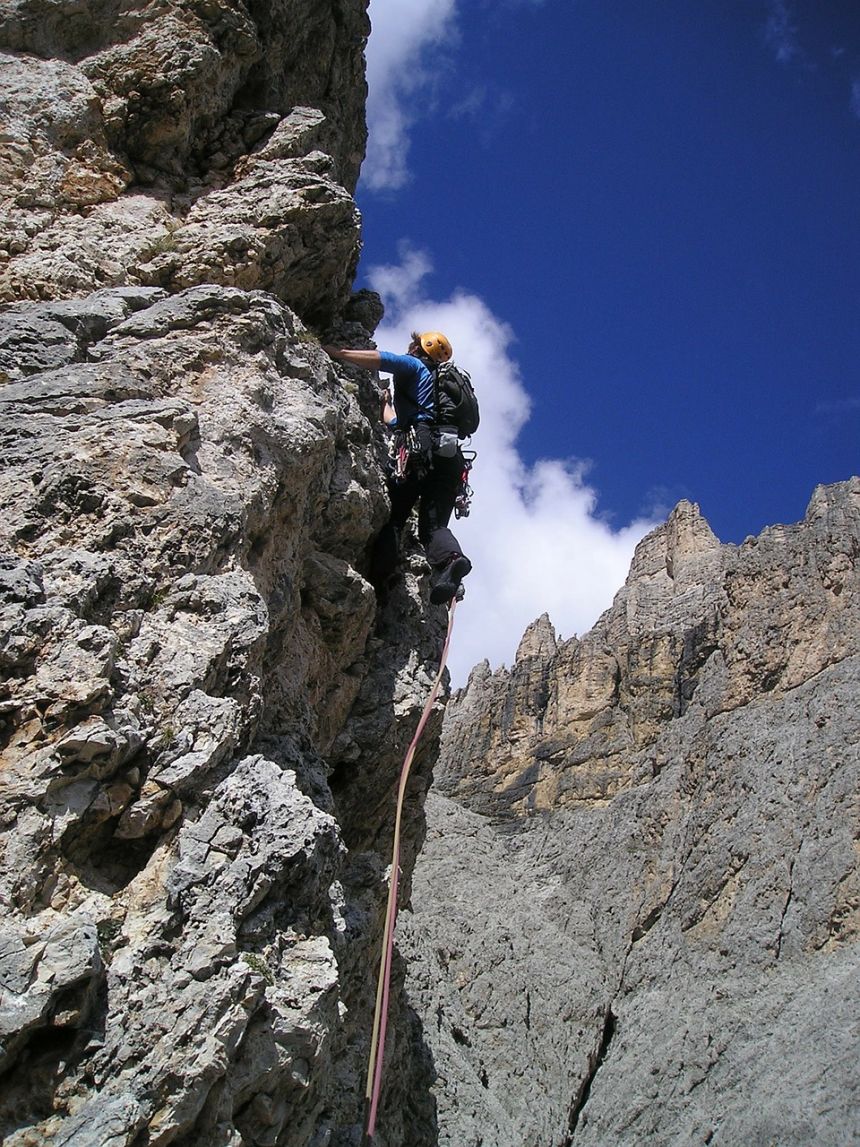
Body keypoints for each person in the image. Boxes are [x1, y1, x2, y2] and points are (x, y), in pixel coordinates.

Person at [324, 331, 472, 605]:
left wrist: (339, 353)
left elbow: (381, 359)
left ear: (418, 348)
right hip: (452, 459)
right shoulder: (443, 391)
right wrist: (388, 405)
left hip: (420, 447)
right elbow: (395, 423)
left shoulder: (414, 365)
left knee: (395, 519)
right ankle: (452, 562)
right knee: (433, 527)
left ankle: (380, 580)